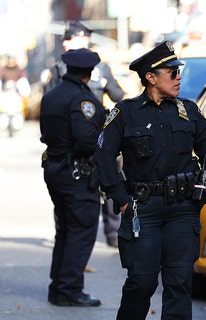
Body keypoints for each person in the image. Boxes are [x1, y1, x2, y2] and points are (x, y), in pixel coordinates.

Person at [94, 41, 206, 320]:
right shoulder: (125, 113)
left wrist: (203, 183)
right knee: (142, 282)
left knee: (179, 284)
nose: (178, 77)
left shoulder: (188, 110)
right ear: (151, 77)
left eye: (179, 71)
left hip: (183, 210)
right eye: (172, 72)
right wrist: (122, 200)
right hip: (143, 209)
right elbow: (102, 158)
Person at [43, 20, 125, 248]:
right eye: (77, 38)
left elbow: (119, 95)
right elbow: (49, 105)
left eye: (84, 37)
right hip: (71, 143)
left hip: (96, 136)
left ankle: (112, 232)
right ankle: (65, 232)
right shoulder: (59, 69)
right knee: (72, 200)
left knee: (109, 182)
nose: (84, 41)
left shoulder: (101, 68)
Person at [40, 48, 106, 307]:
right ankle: (69, 290)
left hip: (55, 168)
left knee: (66, 229)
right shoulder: (82, 99)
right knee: (81, 229)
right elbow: (85, 138)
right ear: (89, 73)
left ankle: (58, 287)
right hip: (75, 172)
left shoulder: (52, 94)